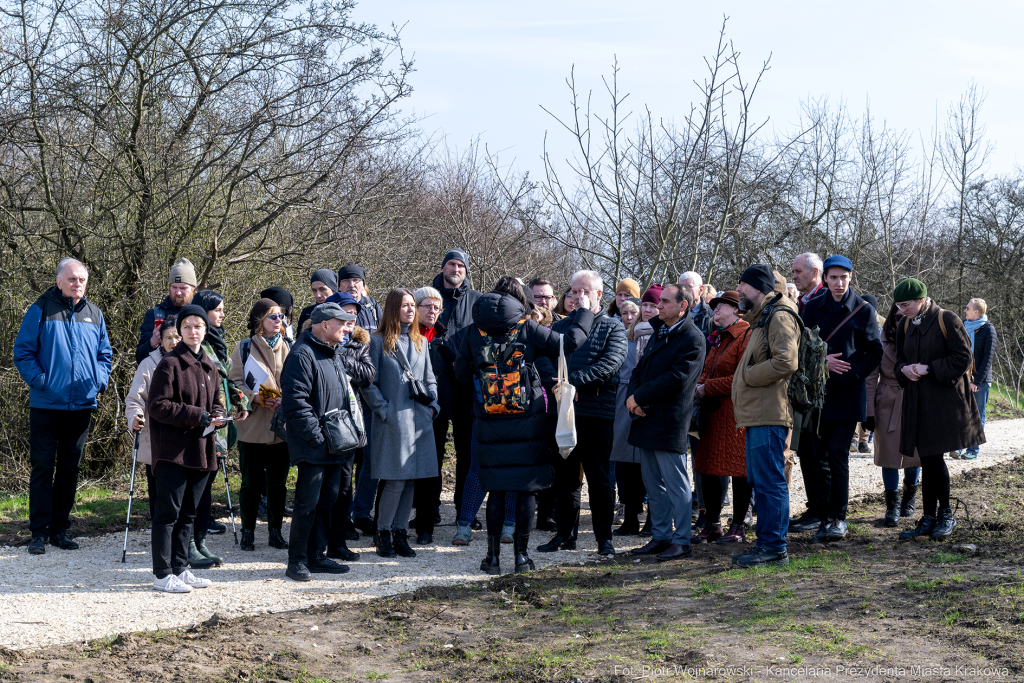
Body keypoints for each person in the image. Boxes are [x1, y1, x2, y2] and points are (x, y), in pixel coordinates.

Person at [455, 277, 583, 573]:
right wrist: (585, 312)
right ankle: (521, 558)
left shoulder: (473, 331)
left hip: (489, 421)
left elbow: (461, 373)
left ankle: (492, 558)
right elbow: (570, 343)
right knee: (525, 490)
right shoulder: (527, 327)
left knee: (496, 490)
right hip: (528, 421)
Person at [14, 258, 113, 555]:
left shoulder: (94, 314)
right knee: (43, 468)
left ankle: (60, 529)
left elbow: (104, 355)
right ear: (58, 281)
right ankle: (39, 533)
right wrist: (41, 381)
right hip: (46, 405)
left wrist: (97, 381)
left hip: (81, 405)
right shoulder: (40, 309)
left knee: (70, 469)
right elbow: (22, 352)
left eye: (82, 280)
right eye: (72, 279)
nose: (77, 284)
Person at [538, 270, 626, 557]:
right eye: (573, 292)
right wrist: (555, 380)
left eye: (583, 292)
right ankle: (565, 535)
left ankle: (604, 539)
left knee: (599, 480)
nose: (577, 297)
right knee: (564, 478)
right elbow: (543, 356)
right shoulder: (563, 326)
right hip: (563, 411)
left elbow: (610, 365)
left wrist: (576, 383)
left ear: (599, 295)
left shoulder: (613, 327)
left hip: (596, 413)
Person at [800, 255, 882, 543]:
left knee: (837, 454)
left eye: (843, 277)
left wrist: (851, 374)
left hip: (848, 395)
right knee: (817, 455)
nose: (838, 283)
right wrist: (824, 364)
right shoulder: (812, 308)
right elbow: (802, 348)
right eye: (833, 277)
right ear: (825, 279)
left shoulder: (863, 310)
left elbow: (875, 351)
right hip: (818, 397)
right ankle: (822, 514)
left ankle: (838, 517)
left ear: (851, 277)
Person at [894, 279, 984, 541]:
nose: (901, 310)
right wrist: (904, 369)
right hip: (917, 402)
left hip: (943, 403)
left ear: (922, 299)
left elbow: (963, 358)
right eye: (898, 305)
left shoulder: (947, 318)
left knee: (934, 458)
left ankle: (945, 515)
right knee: (928, 459)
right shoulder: (904, 324)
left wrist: (929, 368)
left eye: (906, 304)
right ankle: (930, 517)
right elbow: (899, 358)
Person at [280, 302, 361, 581]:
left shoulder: (334, 353)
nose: (347, 328)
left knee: (327, 500)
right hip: (313, 444)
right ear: (325, 324)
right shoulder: (302, 354)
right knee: (307, 503)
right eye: (342, 323)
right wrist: (317, 438)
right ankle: (297, 561)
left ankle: (317, 556)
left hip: (334, 445)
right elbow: (295, 403)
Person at [146, 305, 225, 593]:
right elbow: (157, 406)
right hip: (173, 451)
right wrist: (197, 415)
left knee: (189, 514)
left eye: (199, 326)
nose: (194, 331)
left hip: (201, 449)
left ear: (206, 330)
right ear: (180, 330)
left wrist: (217, 414)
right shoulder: (170, 364)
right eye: (188, 326)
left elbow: (217, 401)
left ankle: (180, 568)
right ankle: (162, 574)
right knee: (168, 513)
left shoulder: (210, 365)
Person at [624, 284, 705, 561]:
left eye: (666, 302)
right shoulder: (659, 330)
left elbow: (677, 379)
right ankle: (660, 536)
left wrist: (640, 397)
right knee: (653, 483)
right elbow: (640, 368)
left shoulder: (692, 338)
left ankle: (681, 540)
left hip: (669, 419)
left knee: (676, 483)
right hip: (645, 416)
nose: (659, 306)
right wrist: (632, 398)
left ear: (683, 306)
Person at [730, 264, 801, 568]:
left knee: (770, 481)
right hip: (760, 412)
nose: (738, 292)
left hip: (770, 413)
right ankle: (768, 544)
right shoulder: (763, 316)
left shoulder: (779, 315)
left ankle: (773, 546)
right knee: (763, 480)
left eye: (742, 286)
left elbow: (786, 362)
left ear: (757, 287)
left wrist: (746, 375)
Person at [361, 289, 440, 558]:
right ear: (393, 309)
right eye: (405, 305)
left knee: (411, 481)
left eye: (411, 305)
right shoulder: (377, 342)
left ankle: (400, 532)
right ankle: (383, 533)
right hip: (392, 421)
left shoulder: (421, 342)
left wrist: (433, 407)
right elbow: (367, 383)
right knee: (395, 481)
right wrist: (383, 410)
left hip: (419, 422)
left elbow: (430, 379)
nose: (410, 309)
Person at [229, 298, 292, 552]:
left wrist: (285, 399)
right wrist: (256, 398)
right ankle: (248, 531)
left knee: (278, 484)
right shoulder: (244, 347)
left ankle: (275, 531)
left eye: (281, 316)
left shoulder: (291, 345)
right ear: (259, 321)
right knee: (250, 483)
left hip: (281, 426)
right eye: (272, 317)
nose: (278, 321)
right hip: (252, 426)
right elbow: (233, 383)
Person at [189, 289, 249, 550]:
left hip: (221, 418)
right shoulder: (199, 344)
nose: (223, 314)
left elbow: (224, 378)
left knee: (209, 474)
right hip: (204, 421)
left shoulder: (217, 340)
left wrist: (240, 400)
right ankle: (194, 534)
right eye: (218, 310)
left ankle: (201, 528)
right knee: (200, 477)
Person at [692, 291, 753, 544]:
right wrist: (699, 386)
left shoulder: (745, 336)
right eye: (714, 306)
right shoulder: (718, 338)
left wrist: (708, 388)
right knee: (708, 469)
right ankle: (713, 523)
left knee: (739, 470)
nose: (715, 310)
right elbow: (707, 369)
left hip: (734, 413)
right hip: (711, 413)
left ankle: (738, 525)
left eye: (721, 306)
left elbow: (743, 376)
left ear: (737, 309)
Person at [429, 250, 480, 524]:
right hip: (433, 384)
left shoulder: (478, 301)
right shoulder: (426, 298)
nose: (456, 269)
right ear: (443, 266)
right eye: (451, 263)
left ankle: (465, 510)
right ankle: (429, 508)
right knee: (432, 450)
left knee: (466, 452)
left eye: (461, 265)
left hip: (466, 386)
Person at [322, 291, 374, 560]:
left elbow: (367, 375)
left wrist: (342, 357)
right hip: (324, 422)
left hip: (349, 423)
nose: (351, 318)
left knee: (344, 486)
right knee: (324, 489)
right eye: (346, 312)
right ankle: (317, 542)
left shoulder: (361, 342)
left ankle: (339, 540)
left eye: (354, 313)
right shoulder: (318, 342)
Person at [126, 317, 180, 522]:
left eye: (177, 337)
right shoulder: (148, 364)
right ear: (161, 341)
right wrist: (135, 416)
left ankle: (183, 538)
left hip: (185, 437)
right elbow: (135, 398)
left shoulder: (193, 363)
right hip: (156, 439)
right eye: (168, 338)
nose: (173, 342)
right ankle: (160, 537)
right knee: (157, 491)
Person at [873, 303, 921, 526]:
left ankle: (909, 498)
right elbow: (871, 376)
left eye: (906, 308)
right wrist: (868, 412)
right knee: (888, 455)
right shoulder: (880, 339)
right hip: (888, 399)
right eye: (898, 310)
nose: (902, 313)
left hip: (915, 397)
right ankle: (892, 505)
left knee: (914, 453)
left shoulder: (921, 336)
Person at [411, 286, 452, 545]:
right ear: (415, 307)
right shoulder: (404, 336)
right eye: (427, 306)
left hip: (435, 414)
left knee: (432, 468)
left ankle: (426, 525)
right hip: (404, 413)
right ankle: (390, 524)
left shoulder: (445, 339)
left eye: (437, 307)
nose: (433, 311)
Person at [610, 298, 645, 536]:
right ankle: (630, 517)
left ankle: (653, 519)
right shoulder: (620, 338)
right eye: (625, 312)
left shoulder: (651, 338)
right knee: (624, 463)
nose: (629, 317)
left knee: (647, 464)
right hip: (621, 400)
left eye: (634, 312)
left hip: (644, 398)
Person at [135, 258, 197, 363]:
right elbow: (140, 358)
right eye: (174, 287)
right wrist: (153, 342)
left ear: (193, 289)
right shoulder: (154, 315)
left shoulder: (202, 315)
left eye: (183, 288)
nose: (178, 292)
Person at [961, 298, 996, 460]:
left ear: (976, 312)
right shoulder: (963, 326)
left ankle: (972, 449)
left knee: (976, 415)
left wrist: (976, 381)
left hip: (979, 381)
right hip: (962, 378)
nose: (964, 311)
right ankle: (959, 446)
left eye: (967, 308)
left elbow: (988, 359)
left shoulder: (989, 329)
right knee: (960, 412)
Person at [853, 293, 884, 454]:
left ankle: (863, 441)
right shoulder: (854, 317)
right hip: (857, 365)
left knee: (867, 403)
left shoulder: (884, 323)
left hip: (873, 366)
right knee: (855, 403)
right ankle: (854, 438)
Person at [337, 263, 383, 334]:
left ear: (363, 285)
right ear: (339, 286)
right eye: (346, 281)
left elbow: (383, 333)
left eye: (356, 280)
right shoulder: (334, 308)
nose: (351, 285)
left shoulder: (371, 305)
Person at [678, 272, 712, 339]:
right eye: (681, 287)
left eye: (689, 287)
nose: (684, 291)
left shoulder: (712, 314)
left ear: (701, 289)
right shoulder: (673, 311)